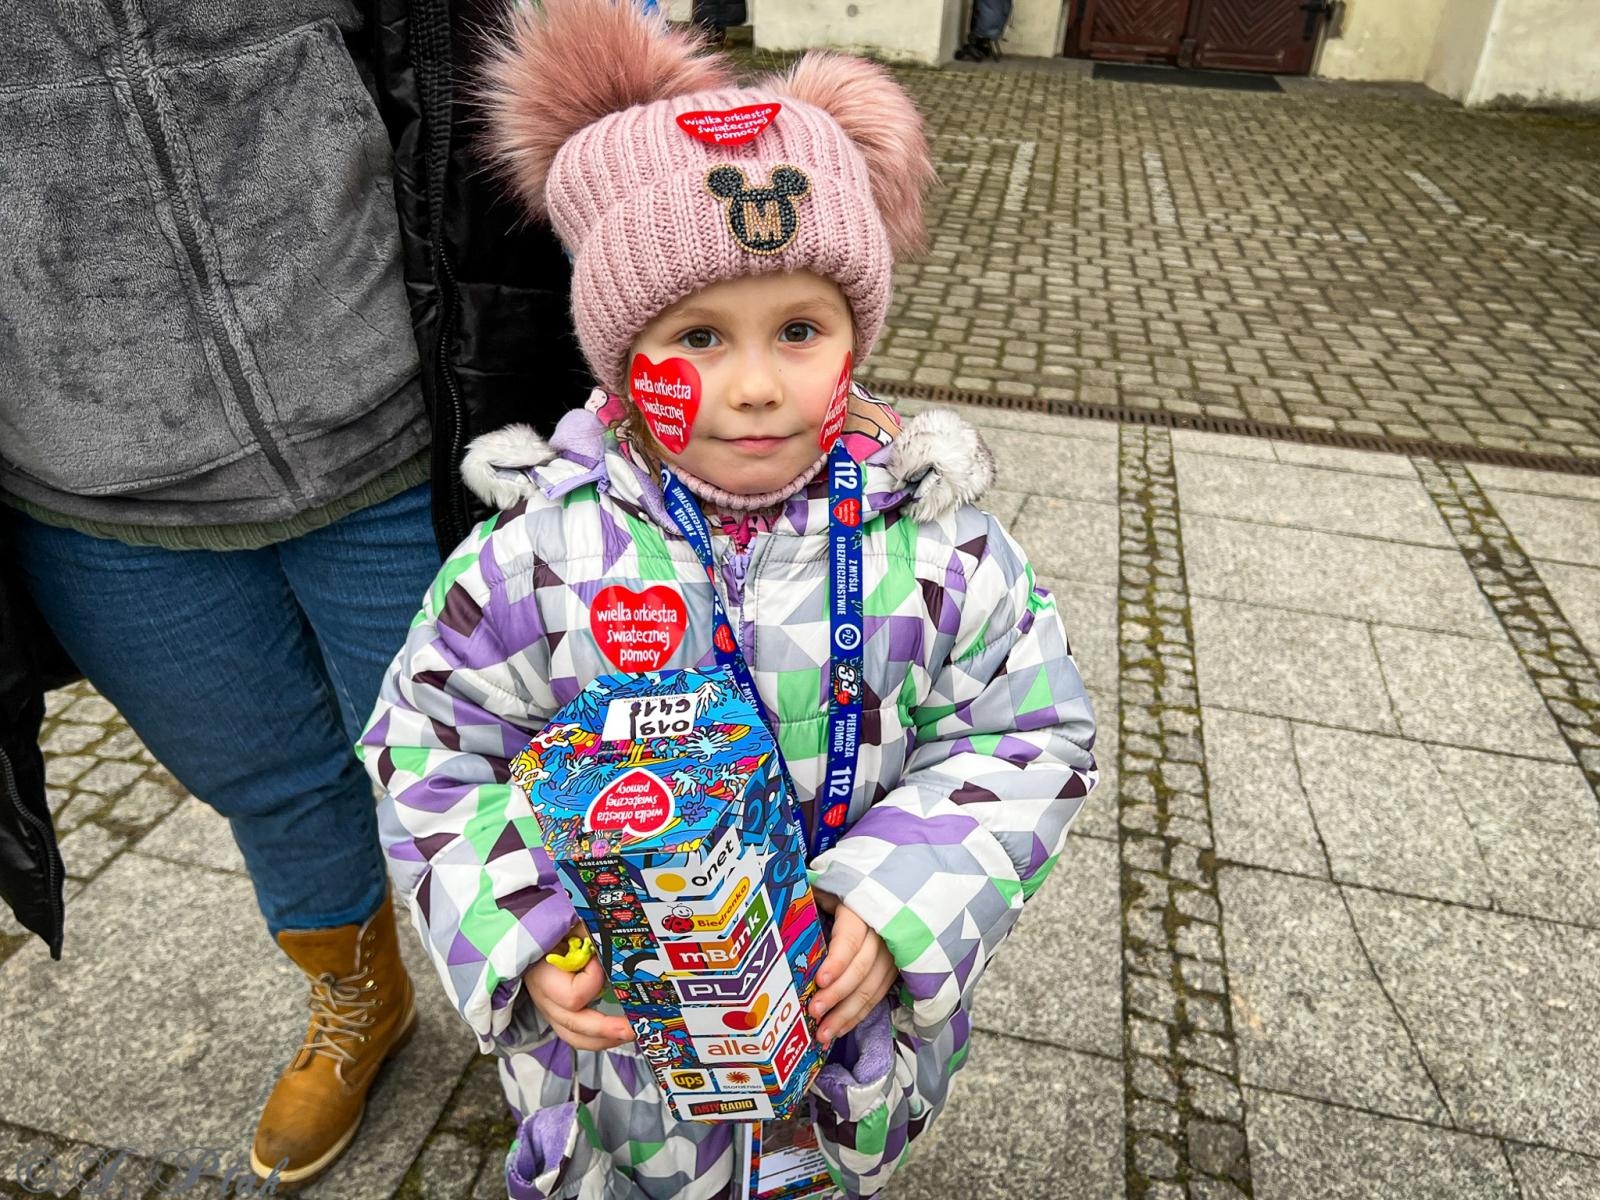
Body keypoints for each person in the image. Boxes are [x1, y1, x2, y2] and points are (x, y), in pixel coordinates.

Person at [360, 1, 1098, 1196]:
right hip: (621, 1079)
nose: (754, 386)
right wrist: (522, 931)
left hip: (837, 1056)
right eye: (697, 337)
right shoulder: (536, 555)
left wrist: (900, 899)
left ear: (859, 330)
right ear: (614, 346)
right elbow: (425, 749)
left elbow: (1028, 732)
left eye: (800, 328)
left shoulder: (936, 544)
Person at [0, 1, 589, 1191]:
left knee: (528, 764)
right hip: (90, 485)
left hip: (400, 437)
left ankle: (585, 1001)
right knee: (268, 782)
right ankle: (358, 997)